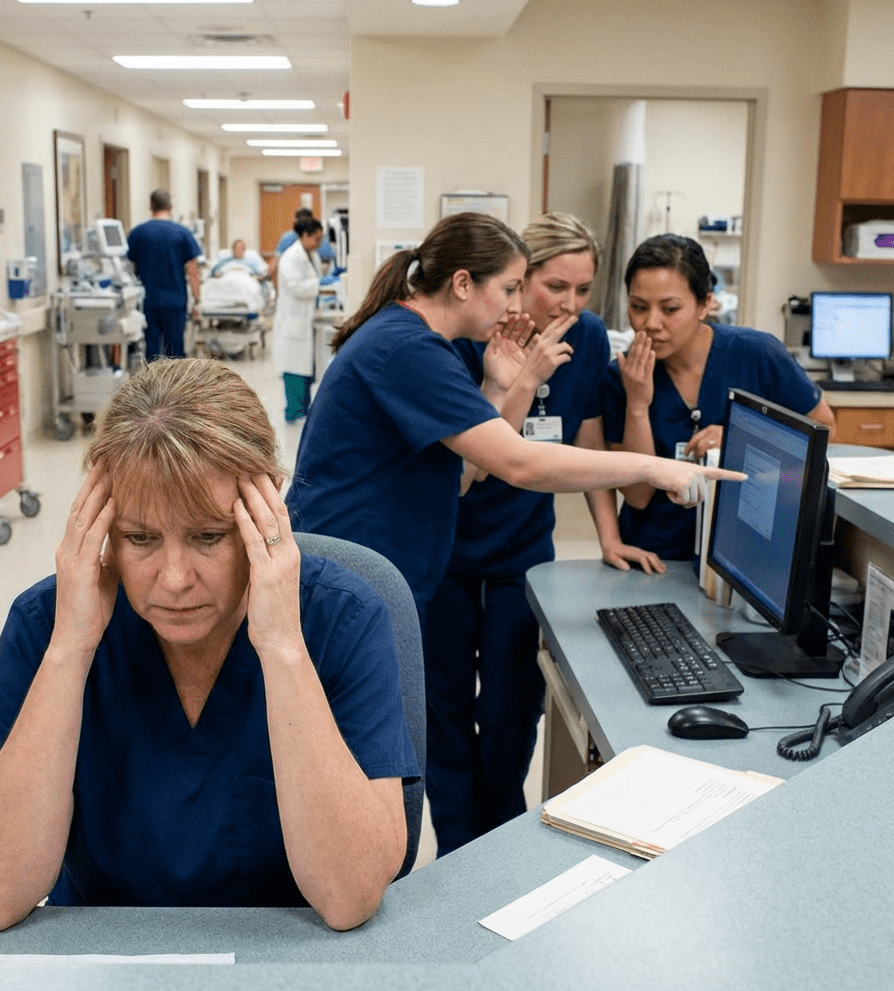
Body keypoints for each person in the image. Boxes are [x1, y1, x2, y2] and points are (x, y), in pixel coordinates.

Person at [0, 358, 418, 933]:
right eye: (139, 538)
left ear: (267, 509)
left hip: (286, 958)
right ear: (99, 524)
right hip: (104, 957)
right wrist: (71, 647)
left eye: (207, 537)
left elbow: (349, 896)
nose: (173, 579)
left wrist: (282, 648)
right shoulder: (46, 624)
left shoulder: (340, 620)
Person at [284, 212, 742, 627]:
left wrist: (498, 388)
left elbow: (464, 475)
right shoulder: (410, 349)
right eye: (509, 289)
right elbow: (518, 463)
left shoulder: (408, 338)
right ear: (463, 284)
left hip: (369, 570)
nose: (513, 305)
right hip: (345, 573)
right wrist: (653, 466)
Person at [421, 212, 663, 856]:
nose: (571, 303)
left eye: (584, 289)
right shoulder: (466, 335)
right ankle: (455, 849)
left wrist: (608, 534)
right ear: (521, 276)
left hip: (520, 553)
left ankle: (496, 846)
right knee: (442, 710)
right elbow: (476, 456)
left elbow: (585, 446)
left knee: (509, 708)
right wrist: (518, 377)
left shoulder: (583, 337)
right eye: (556, 286)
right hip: (443, 548)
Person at [602, 233, 835, 561]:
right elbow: (638, 496)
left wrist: (741, 440)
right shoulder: (620, 376)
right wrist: (638, 405)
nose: (650, 323)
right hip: (654, 557)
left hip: (744, 555)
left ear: (705, 304)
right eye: (638, 307)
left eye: (670, 309)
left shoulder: (757, 354)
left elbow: (824, 427)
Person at [127, 189, 202, 360]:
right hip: (174, 301)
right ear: (170, 206)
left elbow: (128, 267)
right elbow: (193, 271)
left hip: (148, 301)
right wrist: (197, 298)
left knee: (150, 349)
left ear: (151, 206)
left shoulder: (139, 233)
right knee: (175, 351)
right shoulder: (182, 233)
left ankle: (152, 385)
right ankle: (175, 386)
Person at [273, 216, 328, 422]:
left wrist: (321, 285)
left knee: (305, 369)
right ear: (304, 236)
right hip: (293, 320)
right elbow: (297, 287)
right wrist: (321, 284)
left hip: (305, 319)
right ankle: (293, 412)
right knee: (294, 369)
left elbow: (311, 281)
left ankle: (303, 410)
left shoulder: (310, 254)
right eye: (316, 238)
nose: (319, 243)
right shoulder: (291, 257)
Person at [272, 208, 334, 278]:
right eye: (317, 240)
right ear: (305, 235)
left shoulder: (313, 249)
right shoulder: (291, 249)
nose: (318, 244)